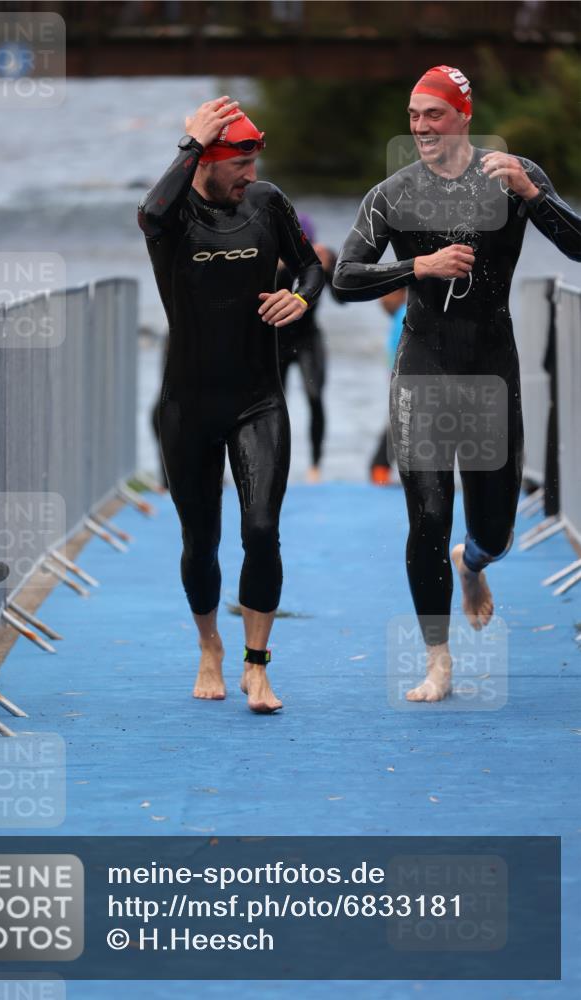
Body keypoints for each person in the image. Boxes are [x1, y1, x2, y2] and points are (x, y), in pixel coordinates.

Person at [334, 64, 581, 702]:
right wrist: (418, 265)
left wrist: (533, 194)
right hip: (424, 363)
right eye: (414, 117)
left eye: (433, 115)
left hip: (491, 367)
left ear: (463, 115)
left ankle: (472, 566)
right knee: (428, 516)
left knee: (494, 529)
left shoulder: (514, 174)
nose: (421, 127)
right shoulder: (392, 193)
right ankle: (438, 661)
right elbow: (345, 278)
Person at [138, 97, 323, 713]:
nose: (250, 174)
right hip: (188, 404)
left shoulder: (268, 203)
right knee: (201, 539)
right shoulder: (172, 218)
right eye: (239, 163)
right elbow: (148, 211)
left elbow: (312, 270)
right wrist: (189, 143)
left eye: (254, 162)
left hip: (258, 399)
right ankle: (210, 647)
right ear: (207, 161)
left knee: (263, 530)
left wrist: (300, 299)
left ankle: (257, 665)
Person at [275, 213, 341, 483]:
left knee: (315, 397)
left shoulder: (315, 259)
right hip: (277, 340)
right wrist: (277, 268)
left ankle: (315, 465)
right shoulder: (271, 255)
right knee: (275, 404)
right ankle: (276, 461)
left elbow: (342, 298)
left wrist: (330, 266)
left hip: (307, 340)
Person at [369, 287, 406, 485]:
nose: (382, 300)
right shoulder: (401, 316)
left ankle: (379, 476)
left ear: (402, 293)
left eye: (386, 294)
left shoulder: (406, 315)